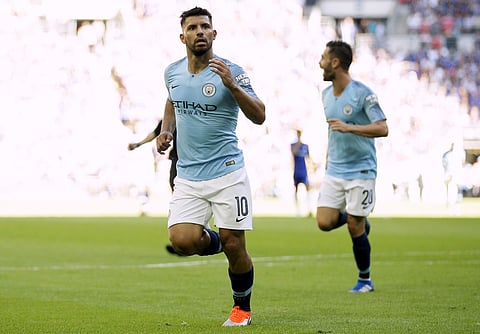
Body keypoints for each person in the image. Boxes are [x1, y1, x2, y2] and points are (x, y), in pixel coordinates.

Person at [156, 7, 265, 327]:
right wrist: (166, 130)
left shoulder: (231, 71)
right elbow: (172, 100)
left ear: (214, 34)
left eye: (206, 26)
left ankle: (241, 308)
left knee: (236, 245)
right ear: (183, 36)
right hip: (189, 175)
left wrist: (232, 85)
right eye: (193, 27)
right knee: (182, 241)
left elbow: (259, 115)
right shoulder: (172, 72)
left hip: (227, 173)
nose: (200, 31)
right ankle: (215, 241)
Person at [316, 40, 388, 293]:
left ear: (335, 63)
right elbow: (332, 130)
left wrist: (351, 127)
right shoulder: (325, 94)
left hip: (361, 170)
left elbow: (383, 127)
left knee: (354, 227)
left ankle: (365, 280)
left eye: (324, 58)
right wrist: (327, 160)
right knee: (324, 222)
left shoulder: (363, 93)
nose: (320, 62)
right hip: (335, 169)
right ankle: (357, 218)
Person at [128, 119, 178, 191]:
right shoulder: (169, 119)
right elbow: (155, 133)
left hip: (192, 157)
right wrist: (138, 144)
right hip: (177, 158)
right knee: (174, 184)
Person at [291, 129, 312, 217]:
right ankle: (297, 211)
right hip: (296, 171)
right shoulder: (293, 145)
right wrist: (298, 142)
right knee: (296, 190)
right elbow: (294, 153)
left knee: (308, 189)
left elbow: (309, 158)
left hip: (304, 171)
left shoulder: (305, 146)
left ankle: (309, 209)